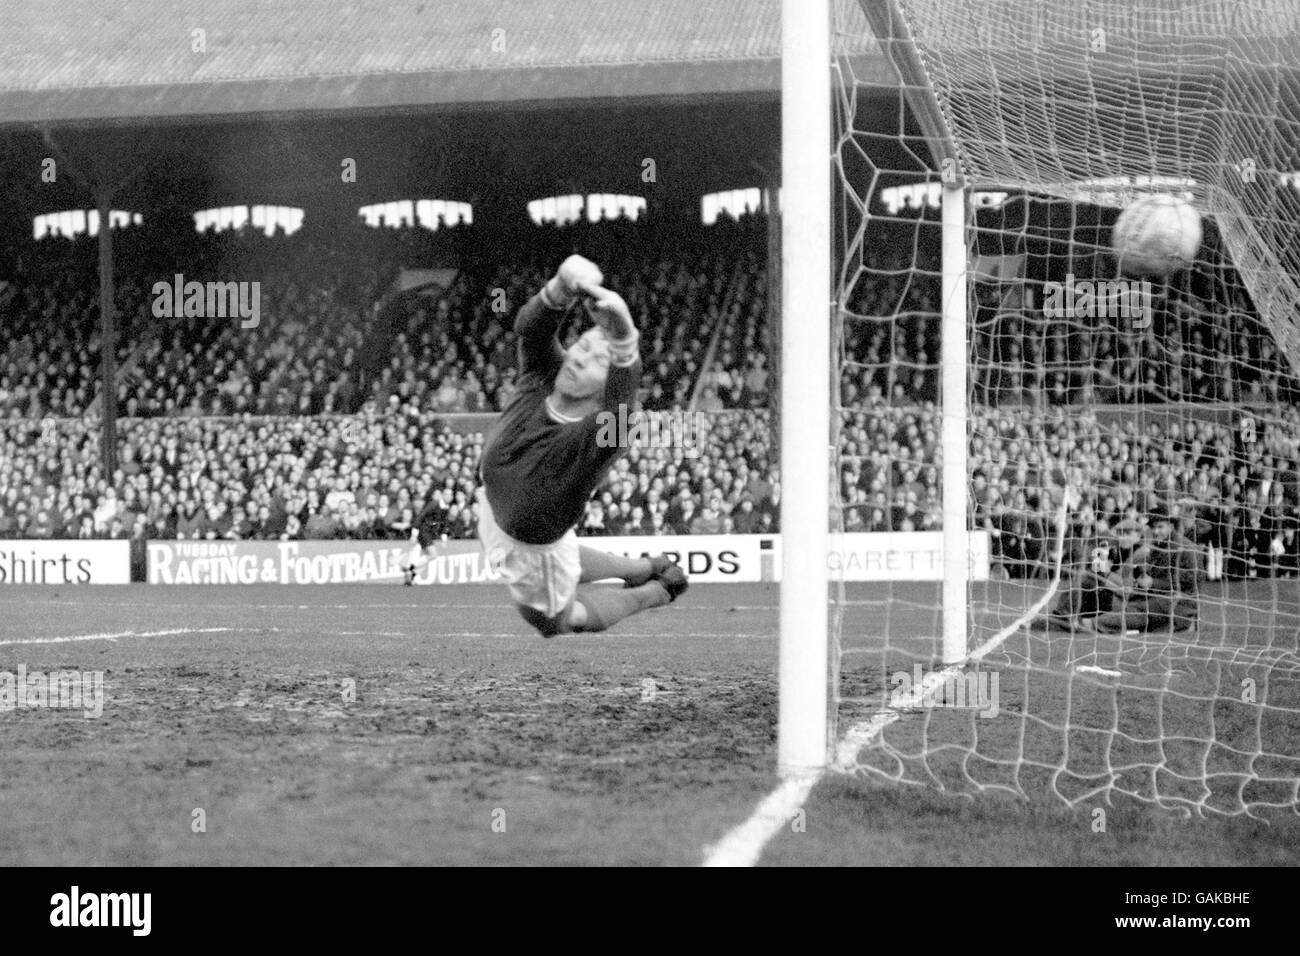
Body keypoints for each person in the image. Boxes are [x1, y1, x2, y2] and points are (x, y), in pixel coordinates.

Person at [477, 255, 686, 637]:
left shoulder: (593, 439)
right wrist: (558, 288)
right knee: (565, 555)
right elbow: (530, 333)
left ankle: (655, 592)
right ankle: (642, 567)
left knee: (552, 621)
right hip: (493, 509)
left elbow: (621, 420)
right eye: (583, 345)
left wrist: (625, 344)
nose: (579, 357)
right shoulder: (543, 379)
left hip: (531, 548)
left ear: (606, 384)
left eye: (597, 360)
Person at [1092, 508, 1199, 634]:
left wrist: (1152, 582)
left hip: (1170, 604)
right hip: (1149, 598)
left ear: (1170, 526)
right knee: (1123, 606)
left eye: (1160, 527)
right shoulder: (1154, 546)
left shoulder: (1183, 547)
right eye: (1121, 532)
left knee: (1119, 614)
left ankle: (1090, 623)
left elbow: (1191, 579)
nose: (1156, 531)